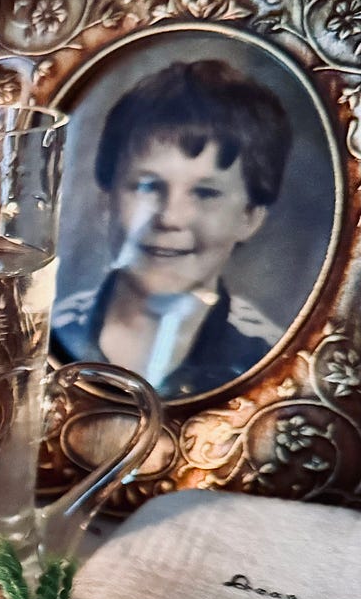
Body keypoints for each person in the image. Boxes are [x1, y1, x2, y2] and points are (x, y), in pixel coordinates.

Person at [52, 59, 292, 399]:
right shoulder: (52, 330)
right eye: (147, 186)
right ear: (108, 201)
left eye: (205, 193)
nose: (170, 218)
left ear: (249, 217)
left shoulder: (271, 359)